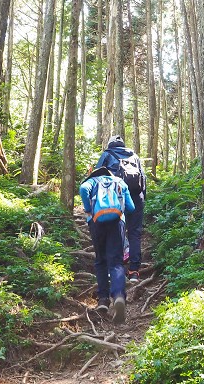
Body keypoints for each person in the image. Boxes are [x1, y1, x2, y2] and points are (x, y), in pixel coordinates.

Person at [79, 166, 135, 323]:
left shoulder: (91, 181)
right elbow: (131, 208)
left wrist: (89, 209)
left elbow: (83, 188)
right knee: (116, 262)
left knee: (101, 260)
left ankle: (103, 300)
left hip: (96, 223)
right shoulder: (119, 182)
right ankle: (118, 296)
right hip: (117, 223)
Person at [95, 135, 146, 284]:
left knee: (113, 232)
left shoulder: (107, 155)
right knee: (134, 233)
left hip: (114, 199)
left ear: (110, 145)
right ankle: (134, 271)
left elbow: (97, 177)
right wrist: (142, 199)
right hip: (136, 198)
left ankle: (116, 270)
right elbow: (143, 178)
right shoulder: (134, 156)